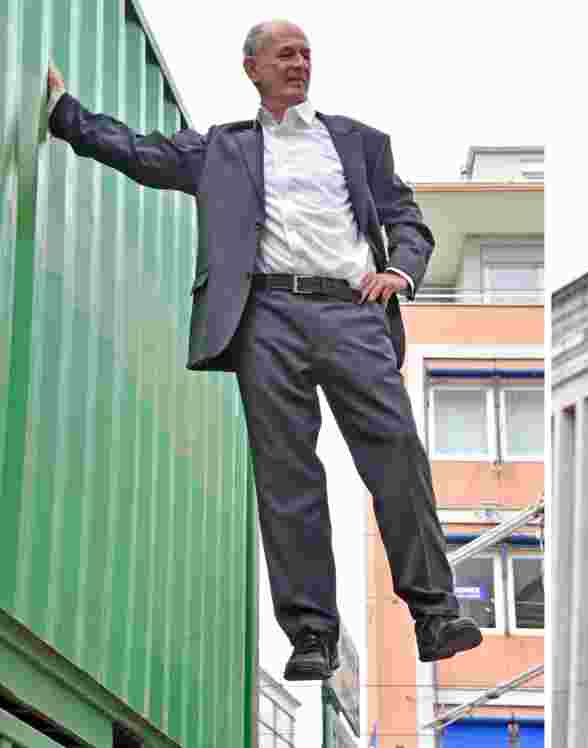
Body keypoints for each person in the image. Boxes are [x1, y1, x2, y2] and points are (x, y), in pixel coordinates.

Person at [46, 19, 483, 681]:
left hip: (354, 310)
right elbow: (143, 153)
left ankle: (436, 613)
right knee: (287, 476)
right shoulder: (224, 150)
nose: (300, 63)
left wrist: (402, 272)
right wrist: (66, 115)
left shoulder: (360, 143)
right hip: (267, 315)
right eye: (285, 54)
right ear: (252, 68)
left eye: (307, 53)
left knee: (397, 455)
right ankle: (311, 635)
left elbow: (404, 216)